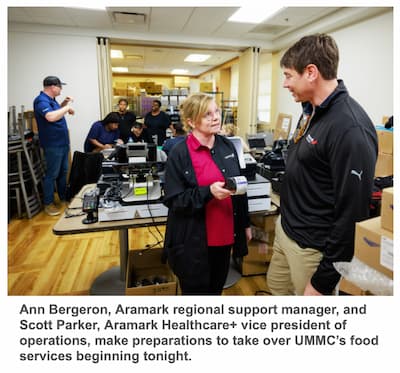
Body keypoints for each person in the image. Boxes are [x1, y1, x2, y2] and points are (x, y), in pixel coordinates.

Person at [267, 33, 378, 296]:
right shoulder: (310, 110)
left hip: (312, 250)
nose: (284, 84)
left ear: (311, 72)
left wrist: (323, 281)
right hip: (287, 230)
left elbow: (352, 215)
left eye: (288, 75)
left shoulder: (350, 128)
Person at [162, 93, 252, 295]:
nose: (216, 117)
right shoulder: (180, 153)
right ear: (191, 121)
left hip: (225, 236)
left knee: (215, 290)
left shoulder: (227, 145)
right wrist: (208, 192)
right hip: (194, 243)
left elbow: (240, 187)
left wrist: (245, 224)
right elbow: (174, 200)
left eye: (217, 112)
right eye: (207, 114)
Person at [33, 76, 74, 216]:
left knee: (63, 172)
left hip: (62, 142)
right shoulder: (41, 100)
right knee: (52, 174)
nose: (61, 89)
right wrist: (68, 107)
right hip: (52, 144)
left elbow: (55, 113)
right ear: (52, 86)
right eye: (59, 87)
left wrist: (64, 104)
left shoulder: (52, 101)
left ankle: (63, 198)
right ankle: (48, 203)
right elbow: (50, 117)